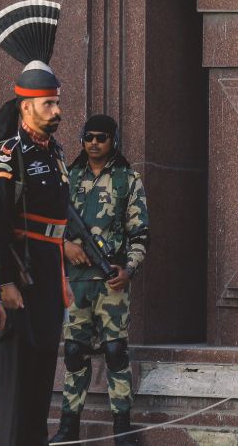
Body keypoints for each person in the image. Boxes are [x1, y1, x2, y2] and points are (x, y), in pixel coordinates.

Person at [0, 0, 72, 446]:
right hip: (20, 269)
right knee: (18, 372)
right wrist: (4, 283)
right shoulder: (9, 155)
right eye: (48, 104)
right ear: (25, 108)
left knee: (42, 369)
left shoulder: (52, 151)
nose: (57, 111)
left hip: (49, 267)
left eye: (57, 102)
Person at [48, 115, 150, 444]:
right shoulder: (68, 178)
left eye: (102, 138)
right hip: (76, 281)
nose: (94, 142)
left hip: (111, 281)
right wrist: (64, 247)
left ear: (113, 141)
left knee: (116, 350)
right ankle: (68, 426)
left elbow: (141, 234)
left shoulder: (127, 180)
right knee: (75, 351)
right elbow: (46, 223)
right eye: (89, 137)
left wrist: (129, 269)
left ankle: (122, 426)